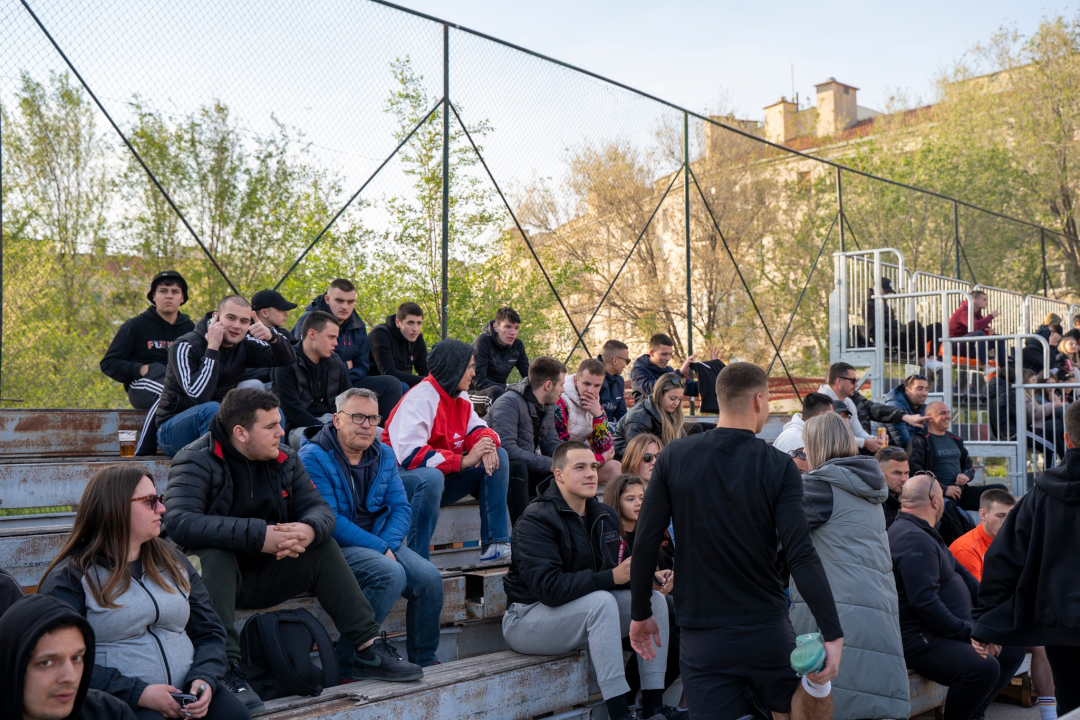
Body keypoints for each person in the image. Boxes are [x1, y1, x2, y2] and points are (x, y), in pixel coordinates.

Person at [162, 387, 422, 712]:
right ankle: (225, 670)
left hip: (268, 570)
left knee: (322, 546)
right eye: (270, 426)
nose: (281, 431)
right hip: (210, 580)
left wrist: (308, 529)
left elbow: (321, 511)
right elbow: (179, 523)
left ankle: (366, 650)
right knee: (214, 556)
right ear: (240, 433)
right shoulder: (195, 458)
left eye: (279, 423)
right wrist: (259, 535)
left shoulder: (285, 457)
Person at [630, 363, 843, 720]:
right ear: (759, 400)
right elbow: (800, 554)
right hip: (765, 625)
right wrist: (831, 632)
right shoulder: (779, 466)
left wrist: (640, 613)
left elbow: (646, 541)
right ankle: (814, 687)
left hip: (702, 633)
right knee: (798, 709)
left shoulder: (674, 456)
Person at [38, 464, 249, 720]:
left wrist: (204, 677)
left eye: (159, 499)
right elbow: (63, 662)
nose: (161, 508)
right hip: (116, 700)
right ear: (114, 508)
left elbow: (210, 632)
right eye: (150, 501)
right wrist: (139, 693)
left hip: (187, 693)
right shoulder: (72, 577)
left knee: (236, 715)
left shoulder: (173, 561)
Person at [501, 442, 675, 720]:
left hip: (580, 612)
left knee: (654, 600)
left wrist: (647, 579)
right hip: (526, 618)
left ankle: (653, 709)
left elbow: (618, 571)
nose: (591, 473)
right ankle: (620, 714)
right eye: (580, 467)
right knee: (601, 602)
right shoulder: (535, 519)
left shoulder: (603, 515)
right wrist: (612, 577)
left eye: (593, 466)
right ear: (558, 475)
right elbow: (549, 589)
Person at [299, 388, 444, 673]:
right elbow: (331, 520)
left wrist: (386, 544)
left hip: (379, 539)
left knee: (430, 579)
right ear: (337, 420)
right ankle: (350, 661)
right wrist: (380, 549)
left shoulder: (384, 453)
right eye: (357, 417)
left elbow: (401, 507)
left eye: (373, 418)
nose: (367, 425)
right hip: (335, 546)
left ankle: (425, 661)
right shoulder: (313, 456)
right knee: (390, 573)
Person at [792, 413, 909, 720]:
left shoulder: (817, 488)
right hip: (875, 608)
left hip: (836, 609)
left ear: (815, 446)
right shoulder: (869, 489)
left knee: (833, 699)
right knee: (870, 697)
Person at [973, 401, 1080, 714]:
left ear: (1066, 440)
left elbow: (1002, 561)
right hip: (1059, 623)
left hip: (1060, 622)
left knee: (1073, 704)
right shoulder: (1039, 496)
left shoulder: (1039, 498)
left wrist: (985, 621)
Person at [889, 474, 1024, 720]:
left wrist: (987, 623)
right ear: (935, 501)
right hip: (920, 638)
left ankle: (975, 714)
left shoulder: (922, 531)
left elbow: (965, 577)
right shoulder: (912, 538)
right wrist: (970, 634)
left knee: (1011, 648)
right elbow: (925, 603)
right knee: (983, 668)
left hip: (942, 630)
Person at [386, 339, 511, 563]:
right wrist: (462, 462)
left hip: (437, 482)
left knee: (498, 455)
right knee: (431, 477)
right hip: (398, 483)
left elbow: (480, 429)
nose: (473, 373)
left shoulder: (459, 396)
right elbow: (410, 456)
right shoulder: (420, 398)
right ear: (453, 367)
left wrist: (487, 445)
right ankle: (418, 560)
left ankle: (495, 545)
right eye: (470, 366)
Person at [155, 295, 296, 455]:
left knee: (272, 411)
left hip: (221, 423)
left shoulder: (245, 345)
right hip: (173, 430)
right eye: (231, 318)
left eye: (243, 321)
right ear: (216, 317)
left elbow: (288, 358)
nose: (237, 326)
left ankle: (273, 472)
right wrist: (213, 348)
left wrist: (272, 336)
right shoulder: (184, 346)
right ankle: (216, 475)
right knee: (212, 409)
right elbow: (199, 396)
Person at [602, 473, 682, 716]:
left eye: (642, 497)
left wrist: (667, 578)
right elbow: (607, 578)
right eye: (630, 499)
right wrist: (647, 585)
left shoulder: (650, 531)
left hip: (647, 607)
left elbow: (656, 572)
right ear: (616, 502)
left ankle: (646, 705)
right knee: (671, 629)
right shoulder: (605, 530)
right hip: (615, 611)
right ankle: (633, 701)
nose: (639, 503)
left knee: (681, 630)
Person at [100, 271, 195, 456]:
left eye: (175, 292)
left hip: (179, 384)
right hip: (143, 384)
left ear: (182, 298)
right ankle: (143, 452)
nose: (169, 295)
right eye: (163, 291)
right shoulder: (135, 326)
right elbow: (109, 363)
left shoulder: (190, 329)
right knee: (168, 394)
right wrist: (140, 368)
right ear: (153, 296)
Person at [0, 593, 138, 720]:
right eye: (47, 662)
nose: (70, 677)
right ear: (10, 666)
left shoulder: (111, 713)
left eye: (76, 658)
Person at [292, 279, 402, 420]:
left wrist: (341, 373)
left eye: (350, 302)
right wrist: (347, 364)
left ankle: (379, 433)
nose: (345, 306)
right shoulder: (310, 321)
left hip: (348, 381)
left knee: (392, 384)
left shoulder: (358, 325)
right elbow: (305, 361)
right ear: (327, 299)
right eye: (339, 300)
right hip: (317, 385)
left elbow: (362, 366)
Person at [488, 356, 564, 525]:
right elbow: (507, 449)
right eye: (561, 384)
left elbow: (551, 443)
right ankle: (522, 534)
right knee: (518, 467)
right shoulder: (509, 403)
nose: (564, 390)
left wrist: (569, 462)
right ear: (548, 385)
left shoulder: (548, 405)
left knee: (568, 476)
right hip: (493, 474)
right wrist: (549, 464)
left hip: (525, 471)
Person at [908, 401, 1010, 512]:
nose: (948, 416)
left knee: (1000, 492)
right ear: (929, 417)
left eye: (948, 413)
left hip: (961, 493)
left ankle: (995, 528)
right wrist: (944, 489)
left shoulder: (955, 439)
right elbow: (916, 474)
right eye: (943, 413)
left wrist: (965, 475)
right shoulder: (919, 440)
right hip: (937, 496)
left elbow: (968, 464)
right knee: (949, 510)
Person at [273, 310, 349, 450]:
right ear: (312, 334)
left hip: (333, 421)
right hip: (300, 427)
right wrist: (327, 428)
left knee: (377, 435)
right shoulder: (286, 362)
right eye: (331, 337)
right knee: (323, 442)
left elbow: (347, 400)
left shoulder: (335, 361)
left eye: (336, 338)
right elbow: (291, 410)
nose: (336, 343)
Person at [555, 359, 622, 484]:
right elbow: (561, 450)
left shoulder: (595, 405)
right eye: (586, 384)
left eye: (597, 386)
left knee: (615, 467)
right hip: (559, 464)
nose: (591, 391)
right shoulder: (561, 401)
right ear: (576, 380)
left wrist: (598, 416)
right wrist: (601, 458)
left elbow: (607, 449)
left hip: (582, 462)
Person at [865, 276, 943, 371]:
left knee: (937, 326)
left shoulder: (885, 305)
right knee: (914, 324)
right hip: (889, 340)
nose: (887, 294)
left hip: (899, 337)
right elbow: (871, 331)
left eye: (888, 292)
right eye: (885, 291)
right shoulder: (869, 305)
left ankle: (932, 359)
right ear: (876, 288)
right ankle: (924, 363)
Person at [236, 289, 299, 392]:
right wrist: (275, 370)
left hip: (274, 384)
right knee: (255, 385)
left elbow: (298, 356)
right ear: (264, 312)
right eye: (281, 309)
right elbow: (238, 371)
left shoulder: (283, 334)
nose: (286, 314)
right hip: (246, 389)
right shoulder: (241, 333)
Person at [613, 374, 685, 458]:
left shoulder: (669, 411)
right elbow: (638, 454)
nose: (676, 403)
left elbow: (685, 443)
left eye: (680, 399)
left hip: (655, 457)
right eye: (672, 398)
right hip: (628, 461)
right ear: (659, 394)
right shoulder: (638, 418)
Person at [470, 307, 530, 403]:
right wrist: (510, 388)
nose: (513, 332)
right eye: (508, 327)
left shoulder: (517, 345)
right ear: (495, 327)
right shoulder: (483, 342)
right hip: (473, 392)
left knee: (535, 392)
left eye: (516, 328)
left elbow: (528, 375)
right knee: (497, 392)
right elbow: (479, 381)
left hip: (500, 389)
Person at [368, 302, 429, 392]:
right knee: (403, 387)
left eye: (419, 323)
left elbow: (425, 369)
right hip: (374, 382)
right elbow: (388, 372)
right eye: (410, 323)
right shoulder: (380, 334)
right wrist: (425, 381)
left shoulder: (418, 338)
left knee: (431, 389)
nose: (415, 329)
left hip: (400, 383)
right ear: (398, 323)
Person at [630, 334, 698, 404]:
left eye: (670, 354)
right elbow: (652, 389)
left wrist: (705, 382)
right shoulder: (638, 371)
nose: (668, 358)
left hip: (666, 415)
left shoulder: (668, 370)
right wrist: (679, 373)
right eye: (664, 354)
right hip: (646, 414)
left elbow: (685, 386)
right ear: (651, 353)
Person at [948, 291, 1007, 366]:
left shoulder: (977, 312)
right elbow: (975, 327)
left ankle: (1003, 368)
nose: (987, 302)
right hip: (955, 346)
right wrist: (991, 316)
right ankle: (985, 366)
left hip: (969, 347)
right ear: (975, 301)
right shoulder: (963, 311)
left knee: (999, 338)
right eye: (984, 300)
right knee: (979, 333)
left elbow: (983, 327)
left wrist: (990, 331)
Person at [884, 374, 930, 448]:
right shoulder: (894, 406)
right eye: (920, 389)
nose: (924, 393)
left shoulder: (923, 408)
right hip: (887, 455)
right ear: (907, 390)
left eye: (926, 389)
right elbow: (904, 443)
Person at [876, 447, 910, 529]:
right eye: (896, 473)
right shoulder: (874, 501)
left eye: (906, 473)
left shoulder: (908, 496)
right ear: (880, 473)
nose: (904, 479)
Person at [598, 340, 630, 423]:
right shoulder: (593, 377)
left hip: (609, 427)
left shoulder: (619, 381)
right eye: (627, 360)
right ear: (615, 360)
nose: (626, 365)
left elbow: (621, 413)